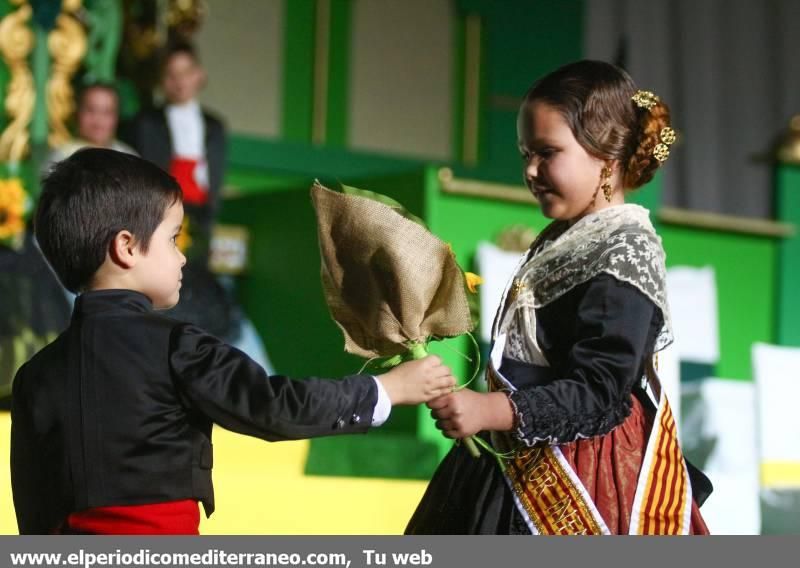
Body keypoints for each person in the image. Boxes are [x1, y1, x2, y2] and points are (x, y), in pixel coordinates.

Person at [11, 148, 456, 535]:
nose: (183, 256)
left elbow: (30, 501)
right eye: (173, 238)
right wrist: (386, 390)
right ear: (127, 247)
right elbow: (273, 407)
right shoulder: (176, 345)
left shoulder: (34, 375)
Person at [406, 60, 711, 535]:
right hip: (515, 454)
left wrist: (490, 410)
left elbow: (601, 391)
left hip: (584, 473)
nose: (530, 169)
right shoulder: (566, 236)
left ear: (607, 156)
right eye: (525, 153)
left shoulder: (624, 246)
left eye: (547, 152)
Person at [46, 83, 135, 166]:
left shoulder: (127, 155)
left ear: (117, 117)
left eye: (107, 112)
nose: (98, 120)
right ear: (77, 113)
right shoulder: (63, 156)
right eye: (91, 110)